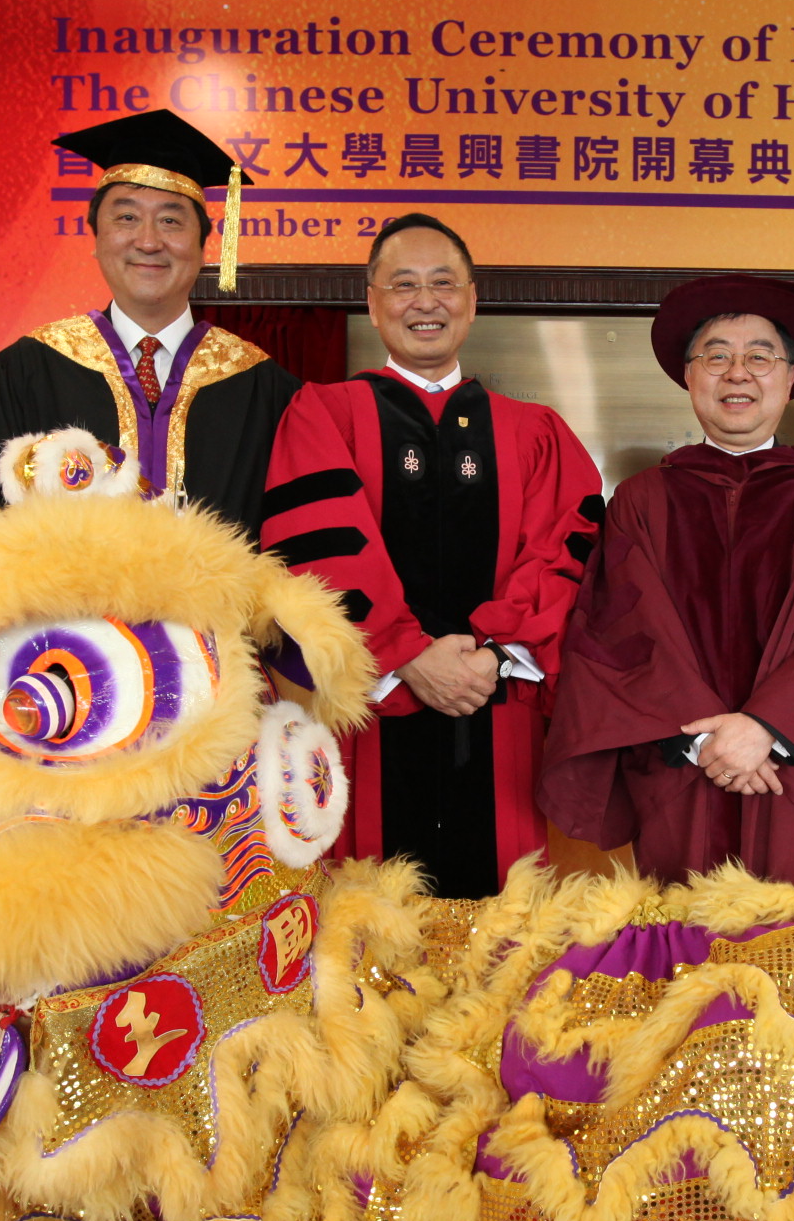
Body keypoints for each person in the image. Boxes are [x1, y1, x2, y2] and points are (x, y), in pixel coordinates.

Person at [258, 215, 603, 896]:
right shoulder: (323, 414)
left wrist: (495, 654)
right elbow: (319, 550)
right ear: (373, 301)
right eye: (404, 285)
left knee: (502, 942)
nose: (426, 302)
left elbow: (569, 551)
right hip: (375, 714)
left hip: (500, 710)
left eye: (444, 284)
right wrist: (407, 655)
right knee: (369, 933)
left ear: (472, 301)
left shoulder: (536, 431)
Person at [538, 275, 794, 886]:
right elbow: (622, 634)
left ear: (791, 378)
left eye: (760, 356)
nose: (738, 373)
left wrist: (769, 729)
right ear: (689, 376)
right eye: (716, 356)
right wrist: (708, 742)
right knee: (681, 963)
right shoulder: (641, 502)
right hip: (682, 772)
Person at [0, 108, 300, 532]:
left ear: (202, 247)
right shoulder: (26, 370)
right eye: (126, 218)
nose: (148, 241)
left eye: (171, 221)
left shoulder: (264, 387)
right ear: (96, 239)